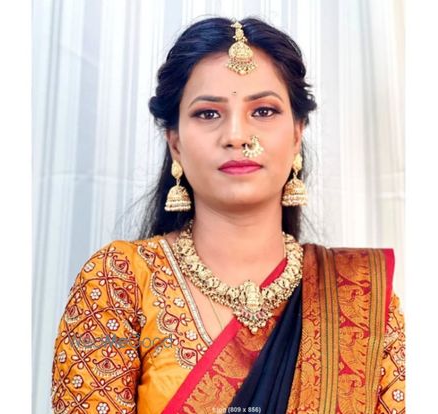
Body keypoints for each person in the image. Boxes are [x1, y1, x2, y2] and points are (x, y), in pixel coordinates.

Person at [50, 17, 405, 414]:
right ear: (175, 143)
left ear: (296, 134)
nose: (236, 135)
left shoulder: (359, 300)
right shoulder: (120, 282)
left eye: (264, 111)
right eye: (208, 114)